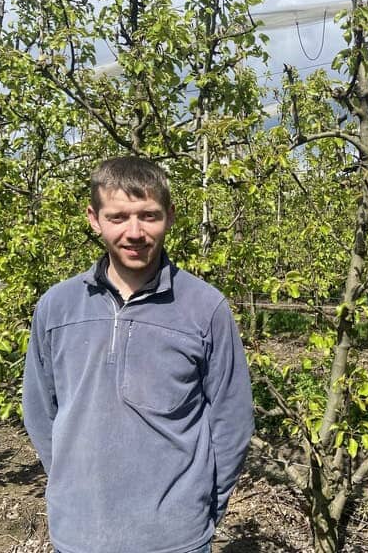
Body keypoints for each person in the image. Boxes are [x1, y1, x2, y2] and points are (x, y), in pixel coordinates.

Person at [22, 156, 254, 553]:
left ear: (170, 216)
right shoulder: (56, 307)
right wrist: (69, 484)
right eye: (118, 217)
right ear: (94, 219)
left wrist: (200, 510)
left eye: (149, 215)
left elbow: (231, 421)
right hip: (78, 535)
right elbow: (41, 411)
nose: (134, 232)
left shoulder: (204, 307)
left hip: (175, 539)